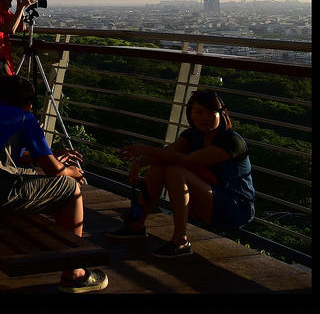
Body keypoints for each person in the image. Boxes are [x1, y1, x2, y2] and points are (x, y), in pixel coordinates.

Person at [0, 75, 106, 293]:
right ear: (28, 105)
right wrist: (70, 171)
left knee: (29, 176)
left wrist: (48, 155)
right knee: (70, 187)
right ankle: (73, 272)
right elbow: (52, 170)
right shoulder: (24, 117)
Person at [108, 90, 255, 258]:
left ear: (222, 114)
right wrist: (140, 162)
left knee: (177, 171)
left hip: (234, 207)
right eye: (198, 112)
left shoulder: (231, 141)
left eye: (211, 113)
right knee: (160, 166)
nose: (204, 117)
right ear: (190, 114)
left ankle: (181, 241)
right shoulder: (193, 135)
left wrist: (145, 149)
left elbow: (189, 161)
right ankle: (136, 225)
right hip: (208, 199)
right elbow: (166, 153)